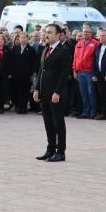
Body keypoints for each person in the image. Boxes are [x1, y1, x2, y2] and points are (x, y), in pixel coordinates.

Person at [34, 24, 73, 162]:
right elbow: (41, 70)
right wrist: (37, 89)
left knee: (58, 123)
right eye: (46, 32)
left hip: (56, 94)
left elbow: (64, 74)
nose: (46, 35)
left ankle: (60, 151)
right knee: (48, 122)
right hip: (44, 93)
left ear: (58, 35)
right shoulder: (45, 49)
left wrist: (58, 92)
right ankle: (50, 149)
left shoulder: (64, 51)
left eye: (49, 32)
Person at [73, 26, 99, 119]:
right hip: (80, 72)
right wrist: (74, 71)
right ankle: (86, 111)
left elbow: (96, 59)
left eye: (87, 32)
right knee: (83, 93)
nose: (85, 33)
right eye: (84, 32)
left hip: (89, 72)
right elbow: (75, 58)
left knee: (91, 93)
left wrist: (94, 73)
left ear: (91, 33)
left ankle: (93, 112)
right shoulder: (79, 44)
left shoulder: (95, 43)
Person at [9, 32, 36, 114]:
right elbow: (11, 61)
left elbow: (33, 62)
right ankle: (18, 106)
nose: (23, 39)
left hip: (26, 73)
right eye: (21, 38)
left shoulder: (31, 49)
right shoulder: (15, 48)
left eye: (24, 38)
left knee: (25, 91)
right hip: (16, 73)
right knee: (17, 91)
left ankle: (24, 107)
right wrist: (11, 72)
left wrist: (33, 73)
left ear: (27, 39)